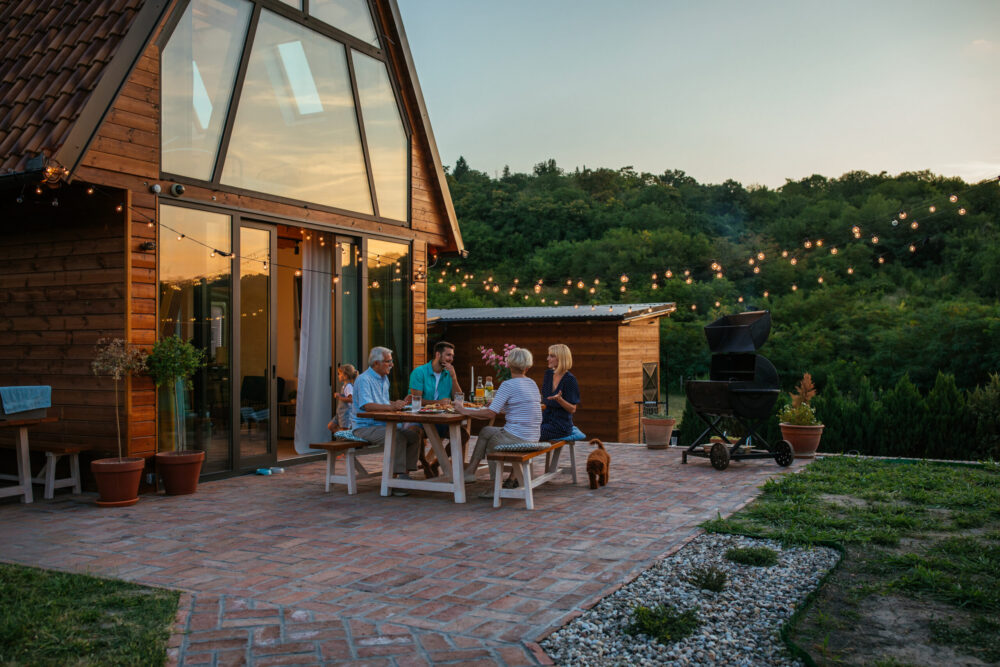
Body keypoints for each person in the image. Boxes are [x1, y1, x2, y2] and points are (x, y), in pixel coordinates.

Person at [454, 347, 541, 491]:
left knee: (493, 443)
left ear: (509, 364)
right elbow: (522, 407)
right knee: (486, 431)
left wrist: (462, 409)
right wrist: (500, 407)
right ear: (527, 366)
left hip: (518, 438)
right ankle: (470, 472)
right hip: (532, 436)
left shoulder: (508, 385)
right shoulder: (531, 383)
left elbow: (490, 414)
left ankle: (495, 488)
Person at [351, 347, 422, 496]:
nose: (392, 364)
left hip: (382, 425)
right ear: (376, 363)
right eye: (388, 361)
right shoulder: (364, 379)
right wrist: (391, 407)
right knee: (398, 437)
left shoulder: (384, 378)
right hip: (364, 427)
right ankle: (394, 481)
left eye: (391, 361)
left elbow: (382, 402)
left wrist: (398, 403)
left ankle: (403, 475)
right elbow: (367, 405)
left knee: (413, 436)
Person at [409, 341, 470, 464]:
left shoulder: (448, 374)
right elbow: (416, 400)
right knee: (415, 432)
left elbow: (459, 399)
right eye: (448, 355)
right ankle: (425, 464)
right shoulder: (419, 372)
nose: (451, 359)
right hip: (421, 419)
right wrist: (438, 402)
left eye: (452, 356)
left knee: (463, 435)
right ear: (438, 354)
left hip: (442, 420)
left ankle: (437, 463)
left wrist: (454, 378)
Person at [540, 344, 580, 441]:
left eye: (552, 356)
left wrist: (560, 400)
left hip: (560, 426)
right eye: (549, 355)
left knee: (531, 433)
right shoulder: (548, 375)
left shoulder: (570, 380)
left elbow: (573, 409)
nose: (548, 358)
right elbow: (544, 398)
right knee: (523, 429)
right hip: (544, 420)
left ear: (561, 358)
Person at [327, 364, 357, 432]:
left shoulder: (348, 386)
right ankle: (343, 435)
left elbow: (351, 399)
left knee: (344, 432)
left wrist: (339, 396)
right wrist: (340, 395)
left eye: (339, 374)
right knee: (331, 426)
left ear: (345, 376)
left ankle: (346, 438)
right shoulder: (345, 386)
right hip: (340, 413)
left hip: (345, 414)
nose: (338, 376)